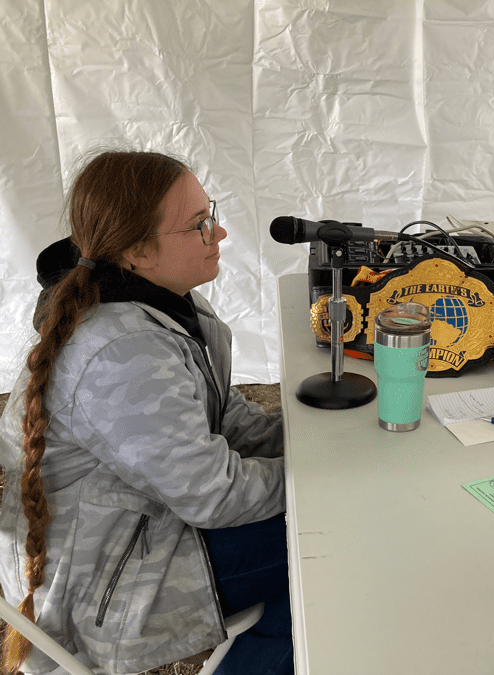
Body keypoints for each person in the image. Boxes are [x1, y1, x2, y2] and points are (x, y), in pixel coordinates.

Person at [0, 150, 292, 674]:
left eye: (212, 214)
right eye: (199, 225)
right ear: (136, 251)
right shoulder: (121, 350)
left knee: (317, 547)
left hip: (139, 531)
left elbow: (222, 419)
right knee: (325, 549)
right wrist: (320, 477)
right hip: (100, 585)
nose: (219, 235)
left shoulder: (168, 304)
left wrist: (314, 437)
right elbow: (214, 493)